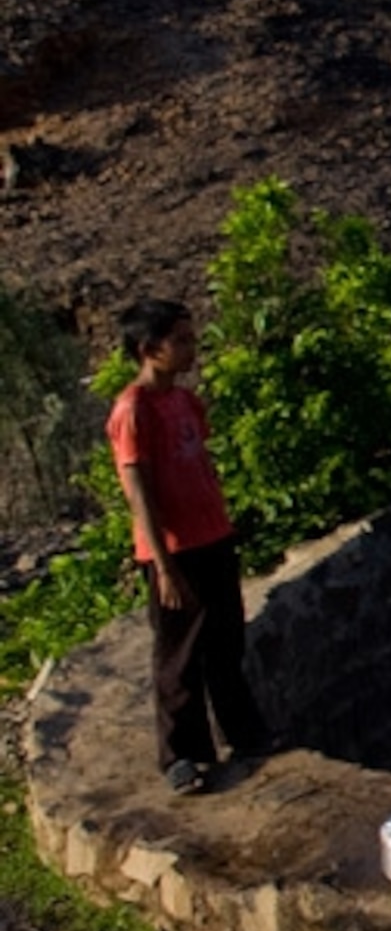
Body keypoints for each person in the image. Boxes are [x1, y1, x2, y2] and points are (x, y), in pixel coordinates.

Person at [105, 299, 275, 796]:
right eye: (179, 341)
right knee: (178, 654)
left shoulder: (183, 402)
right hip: (175, 548)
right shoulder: (132, 410)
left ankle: (244, 734)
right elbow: (139, 491)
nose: (190, 349)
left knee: (225, 642)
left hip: (212, 537)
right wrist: (162, 564)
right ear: (148, 349)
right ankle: (182, 754)